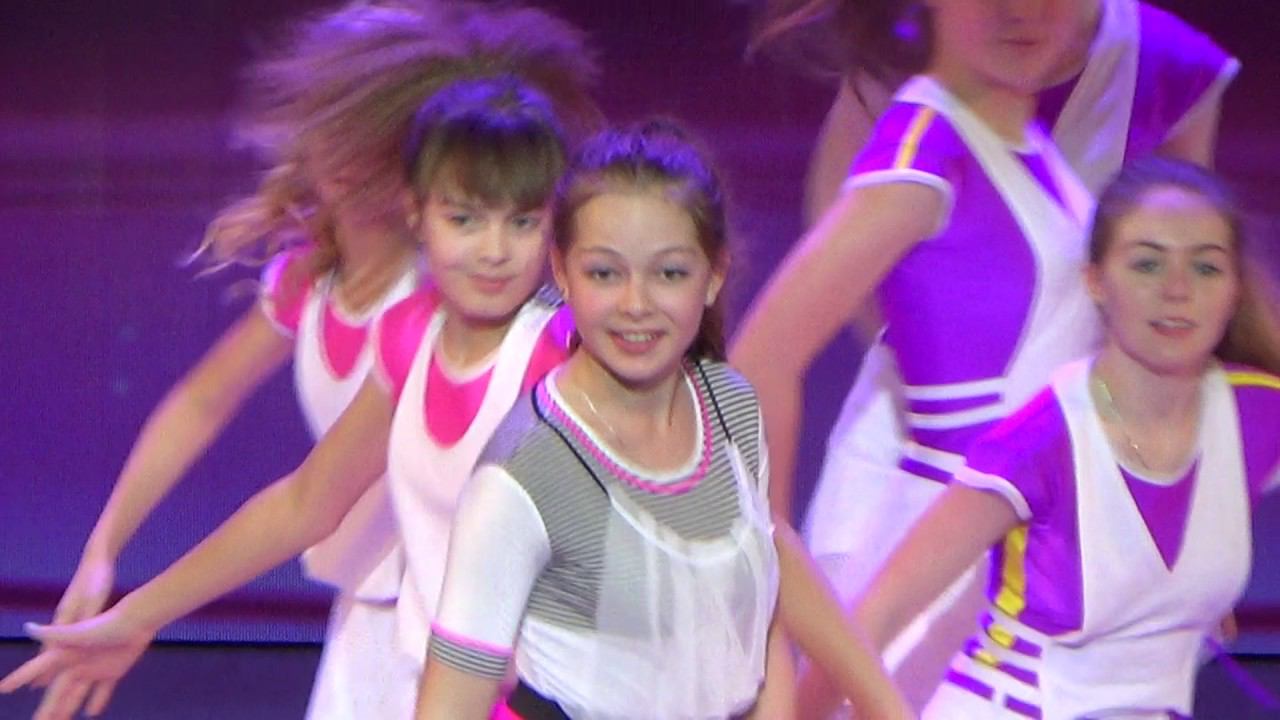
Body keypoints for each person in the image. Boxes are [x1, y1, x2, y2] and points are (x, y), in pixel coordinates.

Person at [0, 69, 595, 720]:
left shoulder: (562, 353)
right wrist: (135, 616)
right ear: (418, 212)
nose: (495, 250)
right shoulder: (409, 336)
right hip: (429, 666)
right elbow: (305, 503)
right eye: (465, 220)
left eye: (523, 222)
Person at [415, 121, 910, 720]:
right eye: (605, 273)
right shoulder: (524, 475)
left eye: (669, 273)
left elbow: (762, 573)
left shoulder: (730, 405)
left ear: (714, 275)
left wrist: (885, 706)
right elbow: (450, 704)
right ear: (562, 272)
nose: (636, 304)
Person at [731, 0, 1109, 710]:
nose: (1022, 11)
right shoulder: (926, 149)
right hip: (929, 590)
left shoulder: (1020, 142)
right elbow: (760, 361)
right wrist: (771, 604)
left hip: (1011, 573)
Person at [851, 157, 1280, 719]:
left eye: (1205, 267)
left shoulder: (1255, 412)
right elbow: (873, 617)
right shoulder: (1041, 440)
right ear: (1096, 281)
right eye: (1147, 264)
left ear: (1235, 289)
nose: (1177, 290)